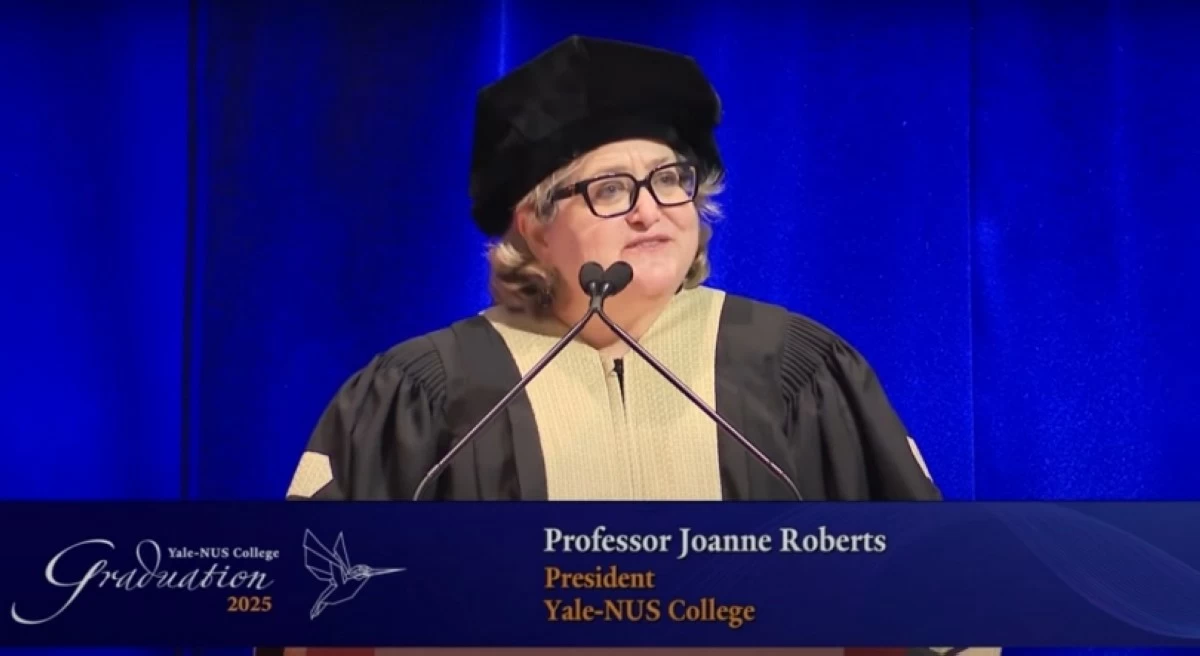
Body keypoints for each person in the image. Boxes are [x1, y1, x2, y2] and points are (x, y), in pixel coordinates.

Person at [283, 34, 942, 504]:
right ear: (532, 224)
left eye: (669, 180)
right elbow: (312, 608)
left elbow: (934, 597)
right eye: (609, 190)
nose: (650, 212)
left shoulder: (796, 369)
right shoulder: (423, 395)